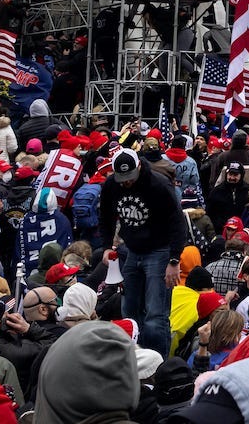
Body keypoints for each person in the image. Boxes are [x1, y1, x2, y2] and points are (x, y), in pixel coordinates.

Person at [100, 148, 189, 357]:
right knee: (129, 309)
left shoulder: (158, 184)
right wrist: (106, 246)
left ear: (139, 166)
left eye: (130, 177)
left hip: (159, 250)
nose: (126, 182)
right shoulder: (111, 186)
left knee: (155, 314)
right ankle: (132, 358)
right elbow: (105, 217)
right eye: (122, 178)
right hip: (131, 249)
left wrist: (174, 259)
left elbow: (177, 221)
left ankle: (157, 364)